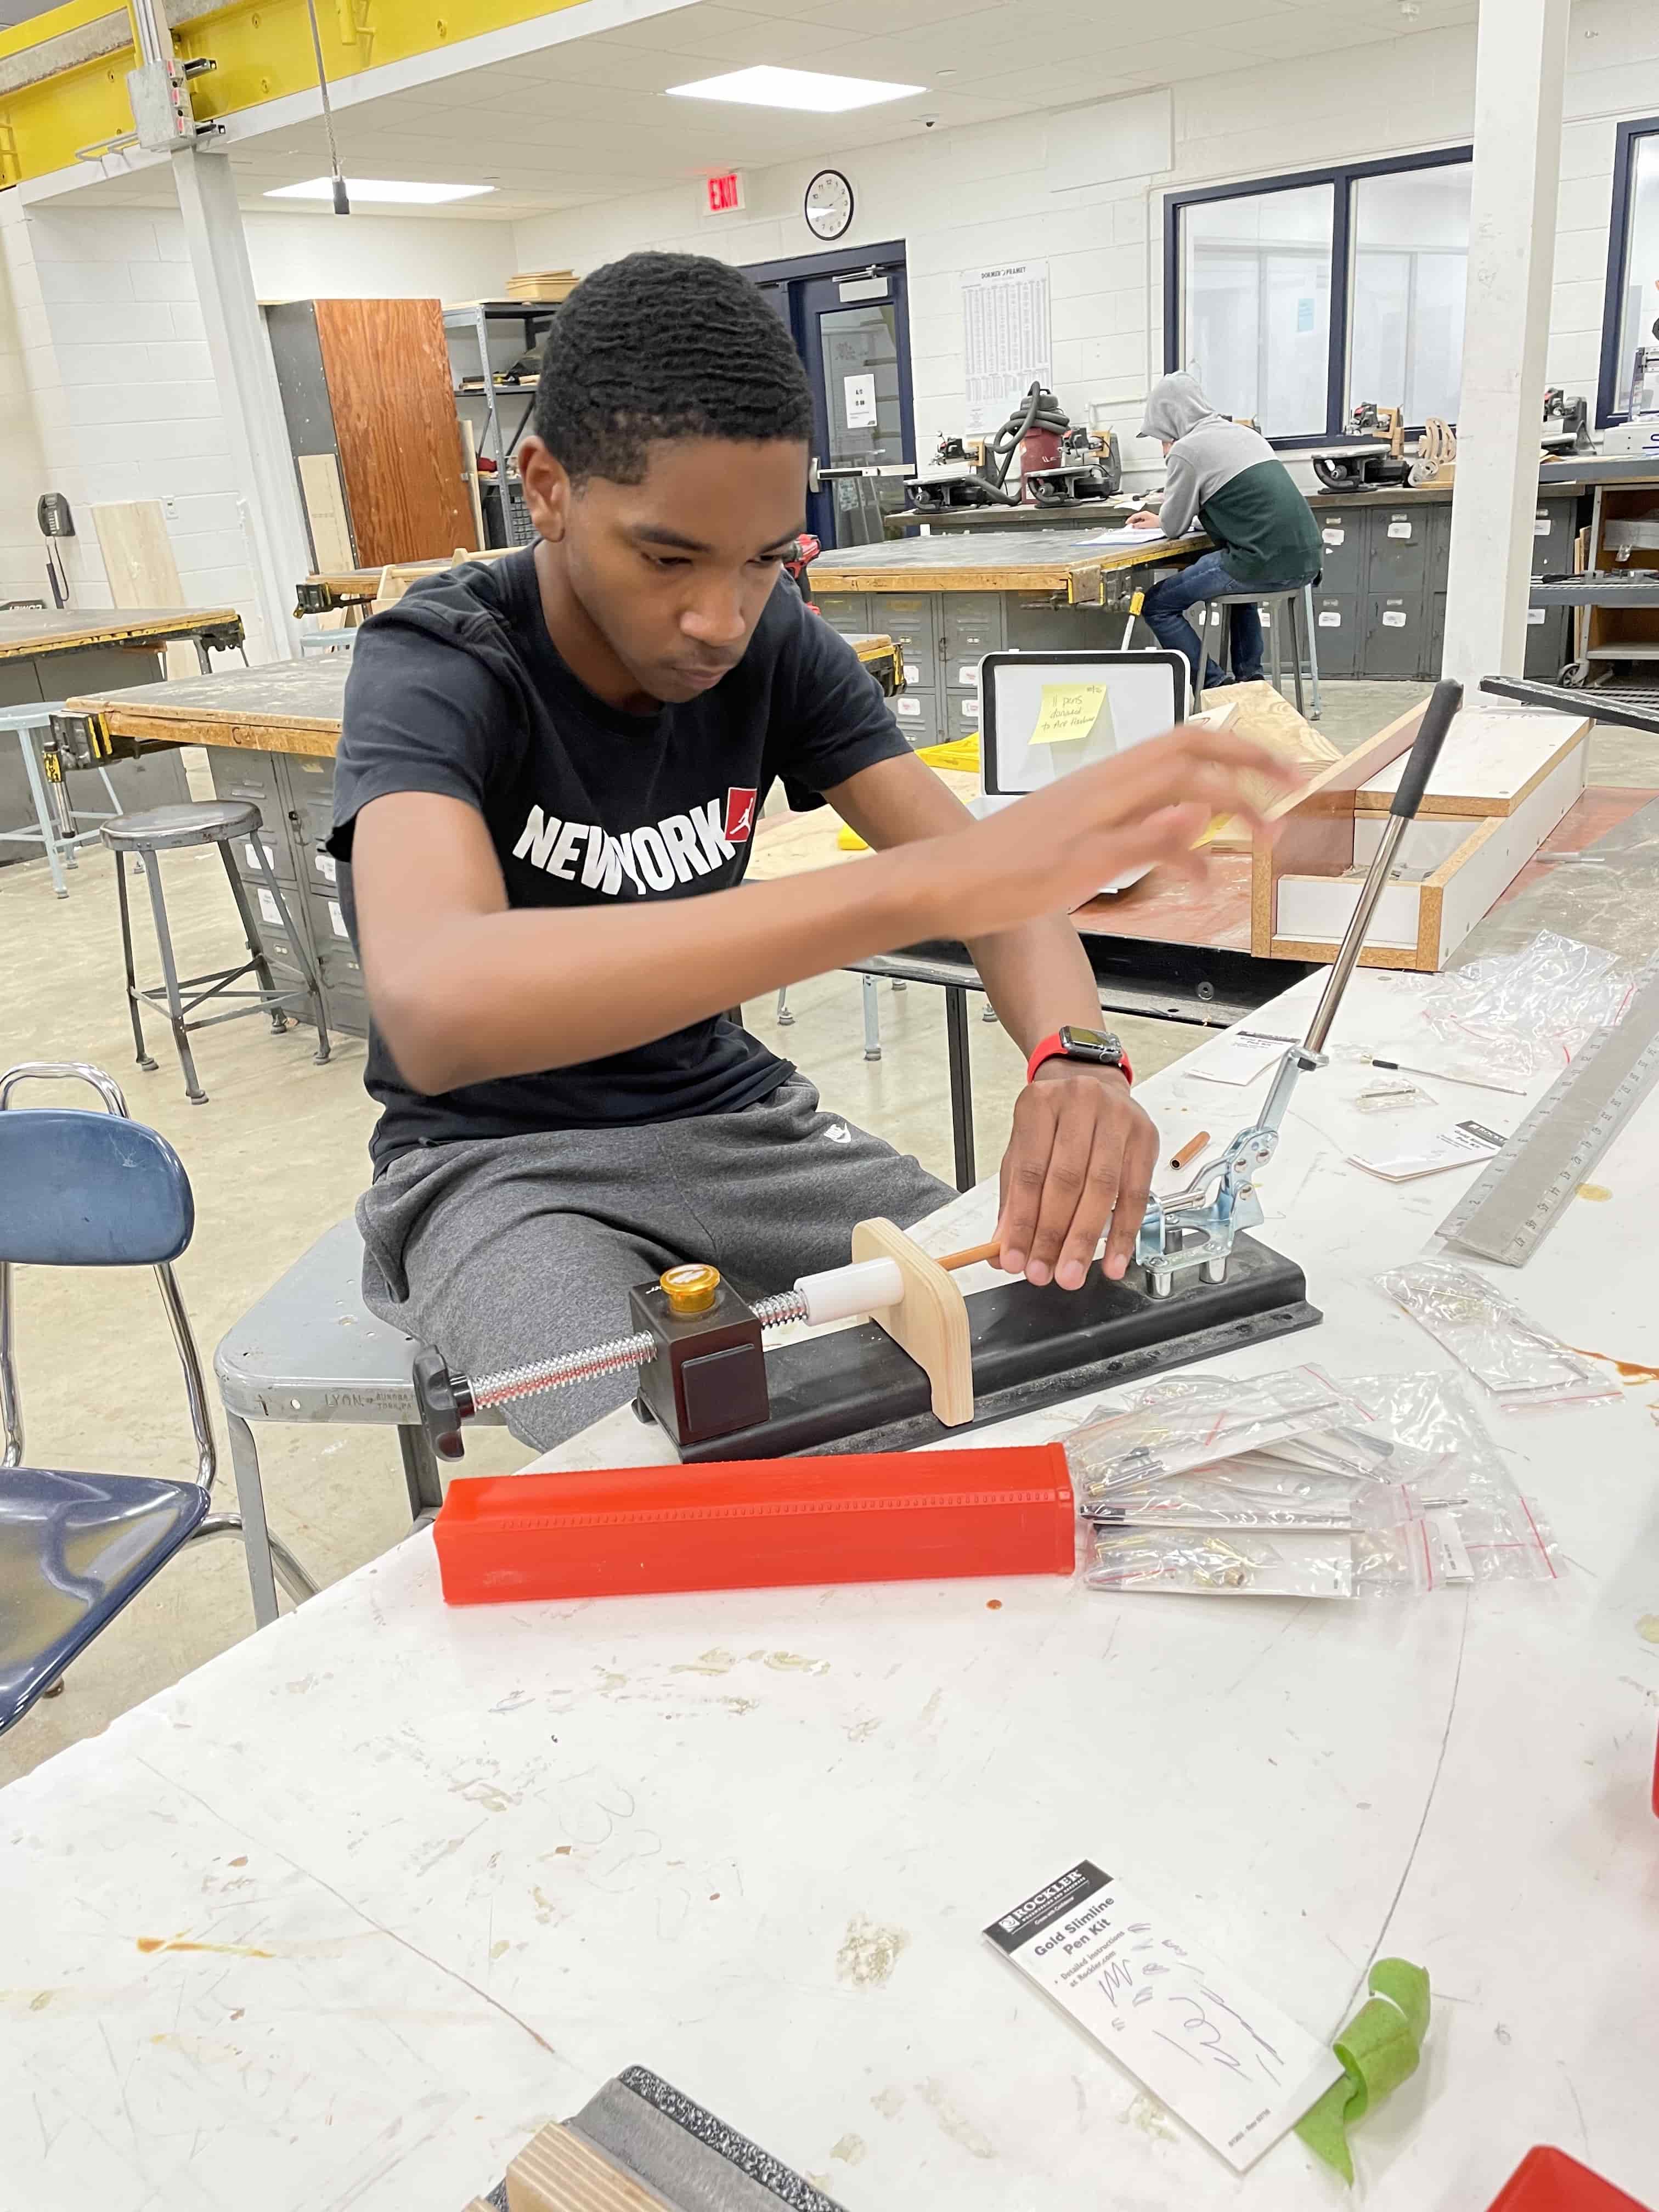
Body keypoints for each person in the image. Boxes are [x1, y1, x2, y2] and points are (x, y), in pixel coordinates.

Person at [328, 253, 1284, 1449]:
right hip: (500, 1171)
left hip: (748, 1133)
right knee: (663, 1471)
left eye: (767, 559)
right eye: (669, 558)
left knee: (1019, 1355)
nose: (720, 620)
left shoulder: (772, 643)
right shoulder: (442, 662)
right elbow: (437, 1001)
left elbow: (1002, 893)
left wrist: (1078, 1056)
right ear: (547, 486)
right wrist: (925, 884)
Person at [1130, 371, 1323, 690]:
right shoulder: (1245, 435)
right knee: (1238, 594)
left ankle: (1215, 685)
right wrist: (1162, 519)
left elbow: (1175, 527)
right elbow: (1239, 507)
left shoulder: (1187, 450)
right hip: (1305, 561)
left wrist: (1165, 504)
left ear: (1168, 418)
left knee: (1157, 605)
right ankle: (1250, 678)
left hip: (1259, 561)